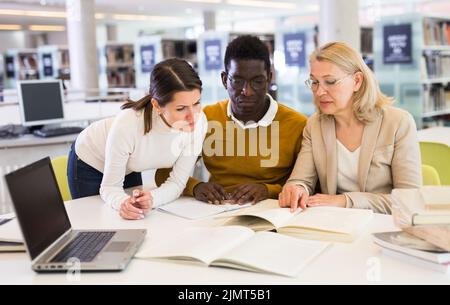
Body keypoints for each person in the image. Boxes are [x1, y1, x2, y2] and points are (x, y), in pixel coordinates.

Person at [156, 35, 308, 205]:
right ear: (224, 80)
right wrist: (196, 187)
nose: (247, 91)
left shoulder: (297, 124)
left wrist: (268, 190)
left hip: (273, 211)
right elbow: (163, 173)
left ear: (269, 78)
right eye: (237, 81)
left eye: (257, 82)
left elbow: (309, 184)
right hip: (215, 210)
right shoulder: (205, 118)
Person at [279, 42, 422, 214]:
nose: (319, 92)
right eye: (315, 82)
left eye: (330, 82)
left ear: (357, 81)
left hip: (383, 226)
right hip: (336, 223)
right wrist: (296, 188)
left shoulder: (398, 123)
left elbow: (409, 200)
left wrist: (346, 201)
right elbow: (301, 179)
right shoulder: (315, 124)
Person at [68, 58, 207, 220]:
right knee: (95, 223)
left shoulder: (199, 122)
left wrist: (152, 199)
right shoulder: (129, 124)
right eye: (181, 108)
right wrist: (122, 203)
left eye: (197, 103)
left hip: (129, 164)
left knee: (134, 215)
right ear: (156, 106)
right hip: (90, 160)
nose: (193, 117)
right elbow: (110, 187)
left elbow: (177, 183)